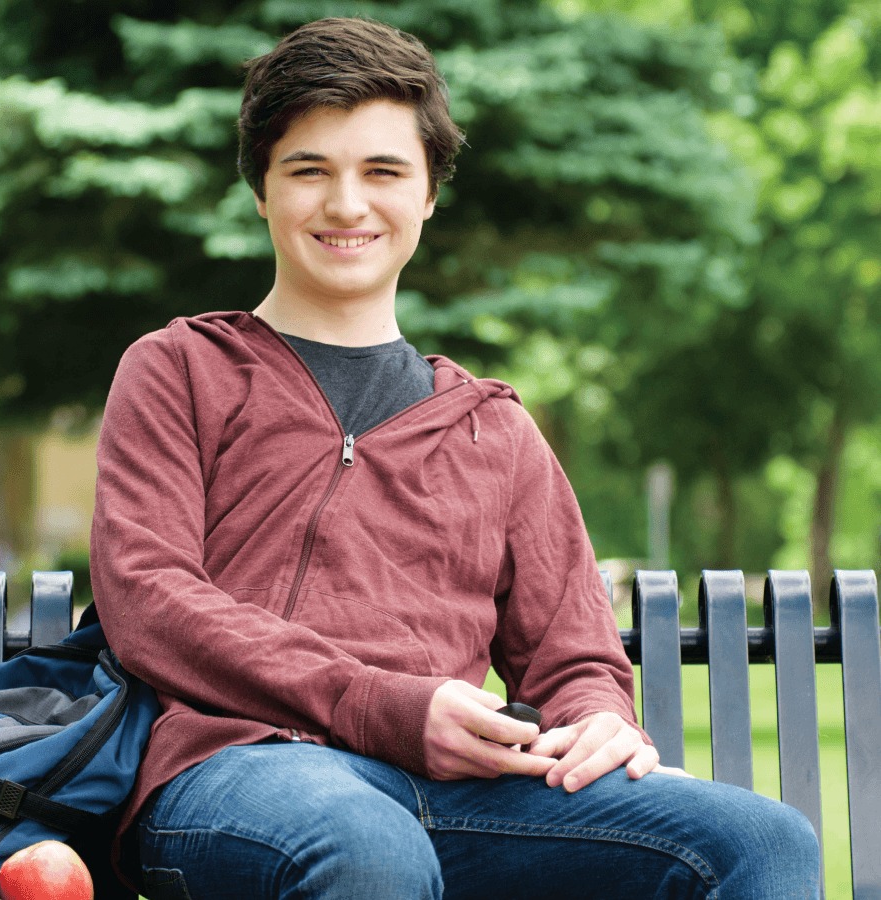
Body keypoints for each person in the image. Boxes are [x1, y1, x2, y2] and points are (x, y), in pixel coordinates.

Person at [90, 16, 820, 899]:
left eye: (384, 171)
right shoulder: (180, 369)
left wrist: (596, 721)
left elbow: (574, 657)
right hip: (238, 771)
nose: (347, 205)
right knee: (365, 848)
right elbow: (149, 597)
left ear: (430, 192)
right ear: (262, 192)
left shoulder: (495, 429)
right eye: (310, 170)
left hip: (462, 794)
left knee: (762, 842)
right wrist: (386, 707)